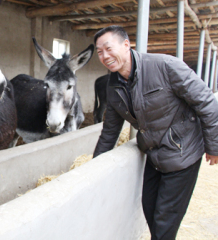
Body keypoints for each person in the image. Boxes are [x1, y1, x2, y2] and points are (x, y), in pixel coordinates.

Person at [92, 25, 218, 240]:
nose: (105, 56)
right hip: (154, 153)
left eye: (108, 48)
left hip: (183, 152)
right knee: (149, 209)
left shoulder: (166, 66)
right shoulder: (113, 87)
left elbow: (207, 103)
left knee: (164, 219)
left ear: (126, 44)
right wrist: (93, 169)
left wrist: (214, 146)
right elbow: (110, 131)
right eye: (99, 52)